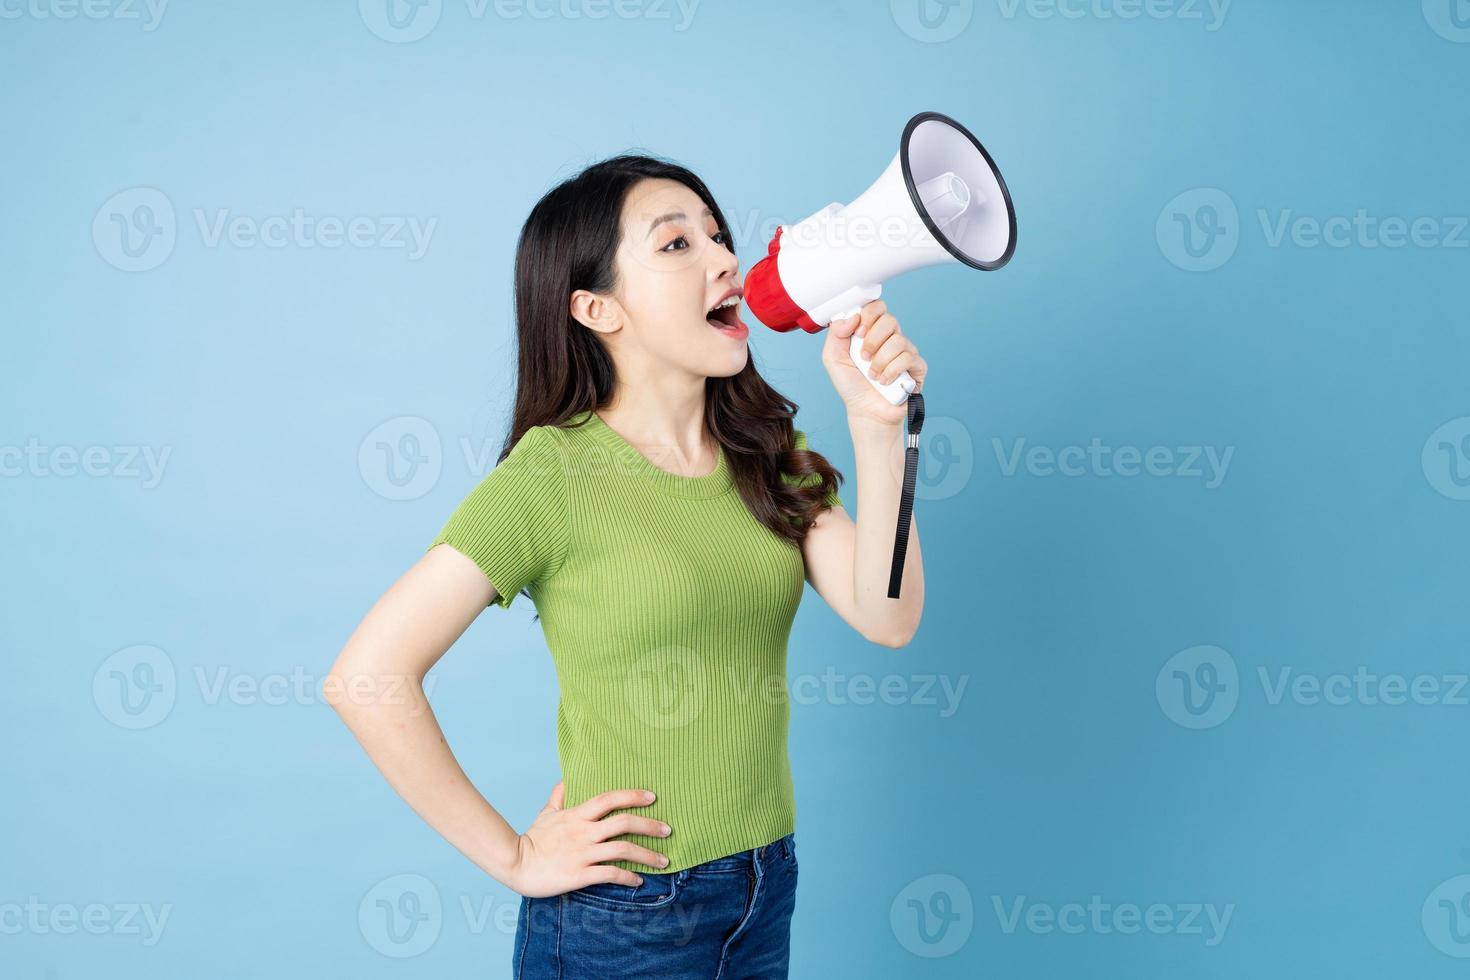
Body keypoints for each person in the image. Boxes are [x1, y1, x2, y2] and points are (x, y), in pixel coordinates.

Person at [325, 153, 926, 978]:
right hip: (626, 915)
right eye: (677, 245)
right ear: (595, 307)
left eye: (719, 236)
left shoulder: (764, 453)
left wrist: (878, 424)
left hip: (765, 883)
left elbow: (888, 617)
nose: (725, 261)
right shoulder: (552, 475)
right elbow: (366, 677)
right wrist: (516, 858)